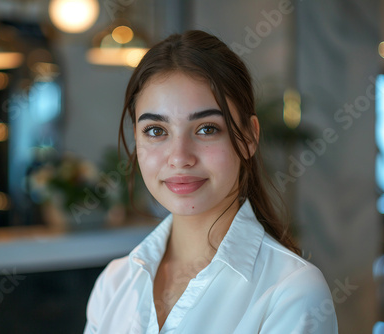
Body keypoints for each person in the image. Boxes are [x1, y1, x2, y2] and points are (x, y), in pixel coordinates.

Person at [84, 30, 338, 334]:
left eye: (206, 129)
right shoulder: (114, 284)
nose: (179, 158)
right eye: (155, 130)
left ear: (249, 137)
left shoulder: (290, 291)